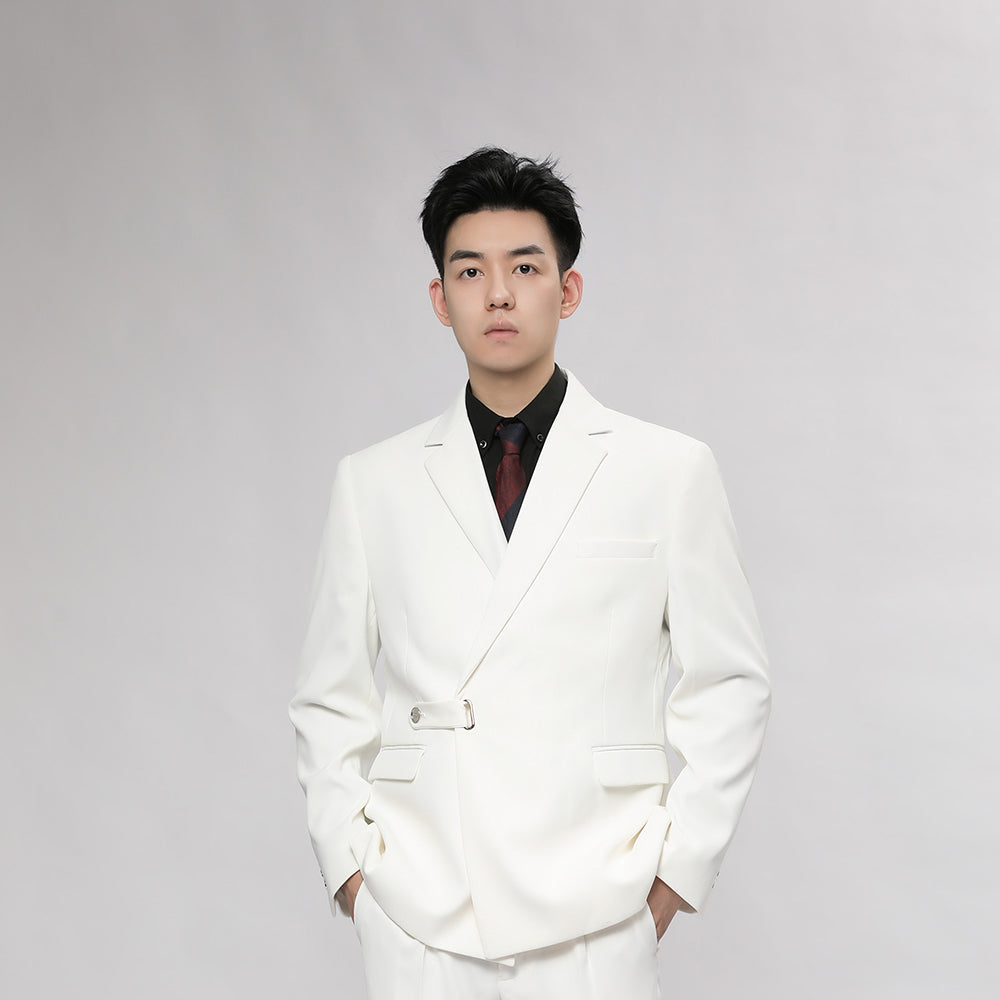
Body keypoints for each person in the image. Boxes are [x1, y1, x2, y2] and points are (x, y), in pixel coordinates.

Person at [289, 147, 771, 999]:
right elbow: (329, 697)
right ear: (440, 299)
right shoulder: (373, 483)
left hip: (597, 898)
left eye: (524, 267)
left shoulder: (666, 471)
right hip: (422, 902)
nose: (499, 294)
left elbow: (729, 682)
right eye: (470, 271)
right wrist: (354, 873)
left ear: (568, 289)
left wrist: (675, 872)